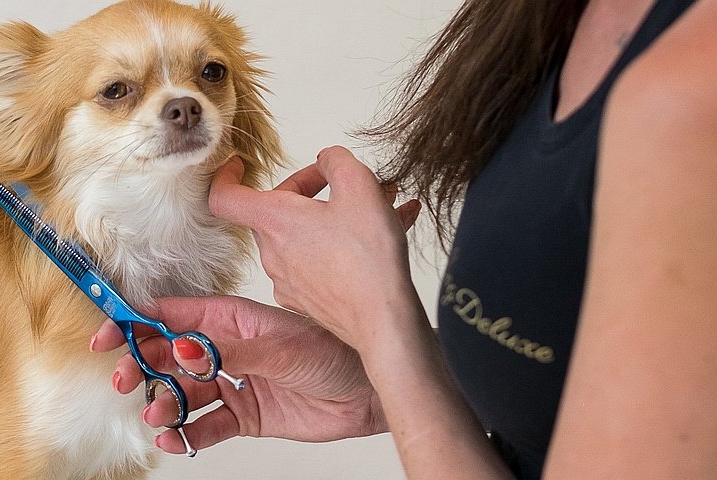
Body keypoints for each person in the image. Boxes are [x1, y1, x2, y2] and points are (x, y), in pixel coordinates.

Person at [91, 0, 717, 477]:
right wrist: (373, 381)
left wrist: (380, 321)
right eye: (116, 91)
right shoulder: (552, 21)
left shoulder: (689, 92)